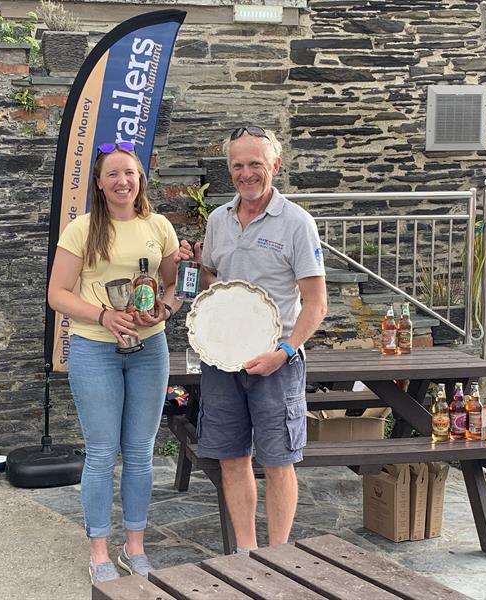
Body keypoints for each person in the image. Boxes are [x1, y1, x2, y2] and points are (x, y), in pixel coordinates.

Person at [179, 125, 327, 552]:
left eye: (255, 165)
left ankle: (277, 554)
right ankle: (246, 553)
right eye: (238, 165)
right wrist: (194, 264)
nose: (246, 174)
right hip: (222, 361)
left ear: (275, 166)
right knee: (231, 459)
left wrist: (284, 351)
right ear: (230, 169)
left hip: (276, 361)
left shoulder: (297, 222)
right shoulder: (219, 220)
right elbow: (211, 283)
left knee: (279, 461)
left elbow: (315, 303)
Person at [47, 142, 180, 584]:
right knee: (102, 453)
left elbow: (174, 287)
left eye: (130, 173)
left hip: (149, 350)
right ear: (99, 184)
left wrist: (164, 310)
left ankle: (135, 548)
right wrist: (104, 314)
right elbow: (58, 295)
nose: (123, 181)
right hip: (95, 349)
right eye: (113, 175)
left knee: (141, 452)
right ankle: (99, 550)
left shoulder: (158, 226)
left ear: (141, 179)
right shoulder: (82, 230)